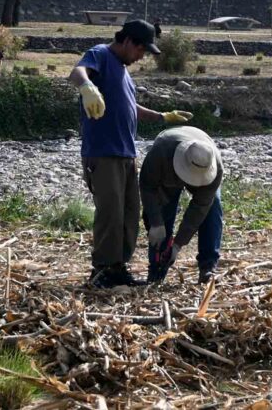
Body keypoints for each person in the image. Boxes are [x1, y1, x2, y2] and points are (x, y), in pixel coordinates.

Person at [68, 20, 194, 289]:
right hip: (103, 153)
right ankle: (102, 270)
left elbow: (129, 106)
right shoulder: (101, 54)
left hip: (126, 153)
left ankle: (118, 268)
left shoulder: (124, 72)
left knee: (129, 213)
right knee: (110, 213)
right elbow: (77, 72)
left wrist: (162, 116)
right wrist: (87, 87)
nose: (141, 56)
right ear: (127, 41)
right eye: (140, 50)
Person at [141, 127, 224, 284]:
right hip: (168, 170)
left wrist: (178, 244)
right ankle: (156, 270)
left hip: (203, 172)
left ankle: (208, 267)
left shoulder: (215, 168)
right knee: (163, 212)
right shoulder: (161, 151)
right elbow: (147, 187)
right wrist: (156, 223)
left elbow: (200, 208)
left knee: (212, 208)